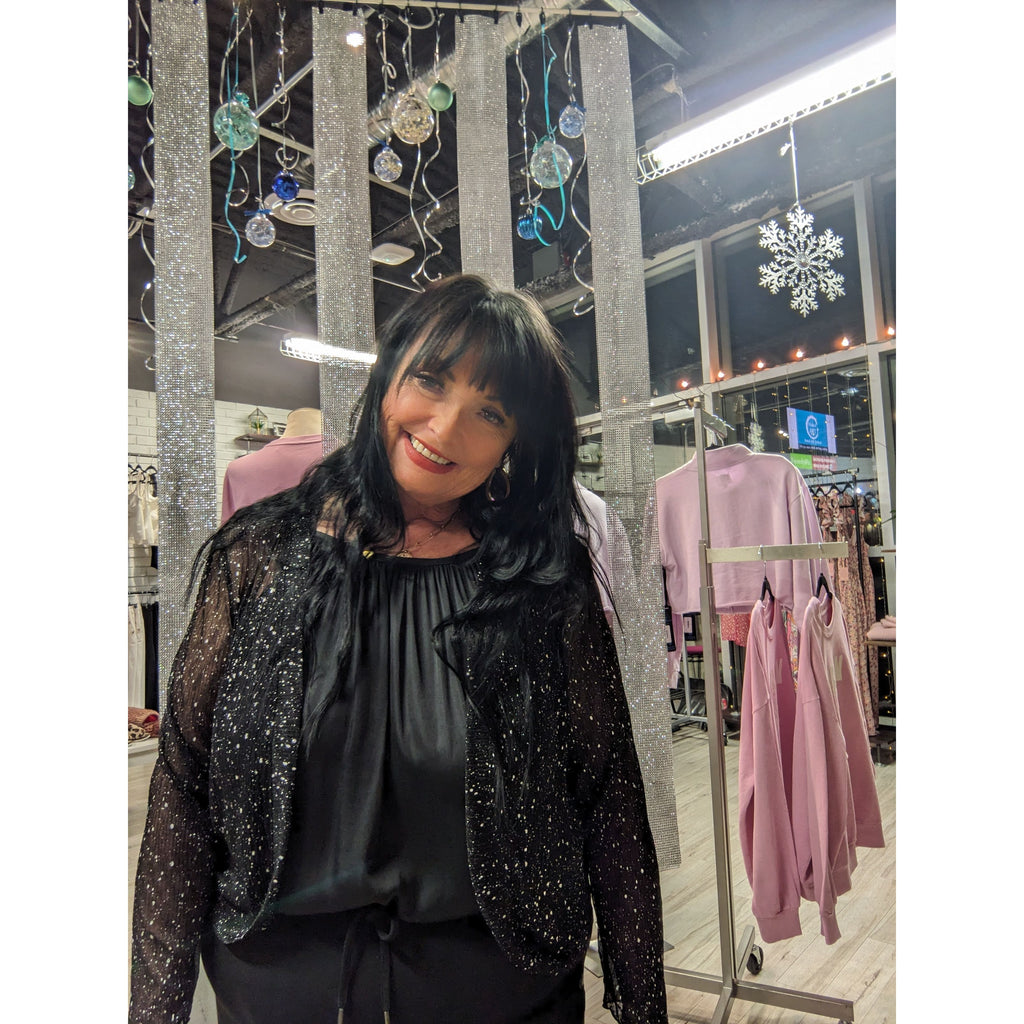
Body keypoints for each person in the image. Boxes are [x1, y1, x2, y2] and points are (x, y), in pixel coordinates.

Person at [130, 274, 668, 1024]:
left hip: (499, 992)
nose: (445, 428)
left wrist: (642, 1005)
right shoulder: (257, 556)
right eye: (430, 380)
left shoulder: (542, 579)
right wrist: (155, 1008)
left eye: (490, 412)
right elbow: (184, 788)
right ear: (387, 374)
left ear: (515, 440)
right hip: (279, 992)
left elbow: (607, 793)